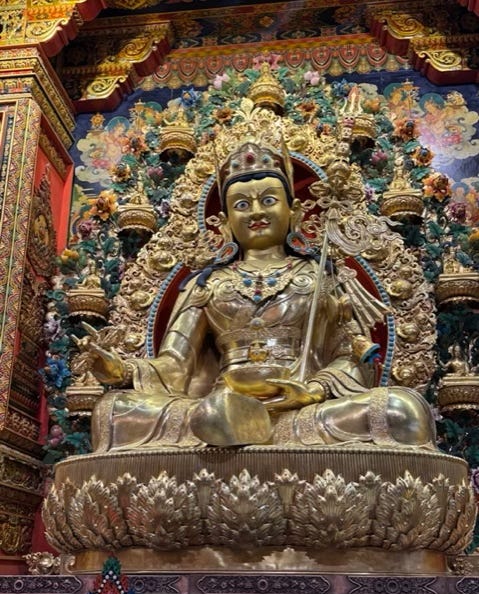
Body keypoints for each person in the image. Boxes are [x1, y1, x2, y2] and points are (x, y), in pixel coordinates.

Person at [88, 140, 436, 452]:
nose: (255, 212)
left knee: (401, 409)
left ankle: (243, 432)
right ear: (225, 222)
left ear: (294, 212)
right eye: (242, 204)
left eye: (268, 200)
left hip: (305, 411)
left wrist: (313, 391)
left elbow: (353, 356)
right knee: (113, 412)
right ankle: (233, 424)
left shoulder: (323, 276)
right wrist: (121, 369)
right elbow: (175, 366)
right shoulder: (206, 284)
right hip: (222, 405)